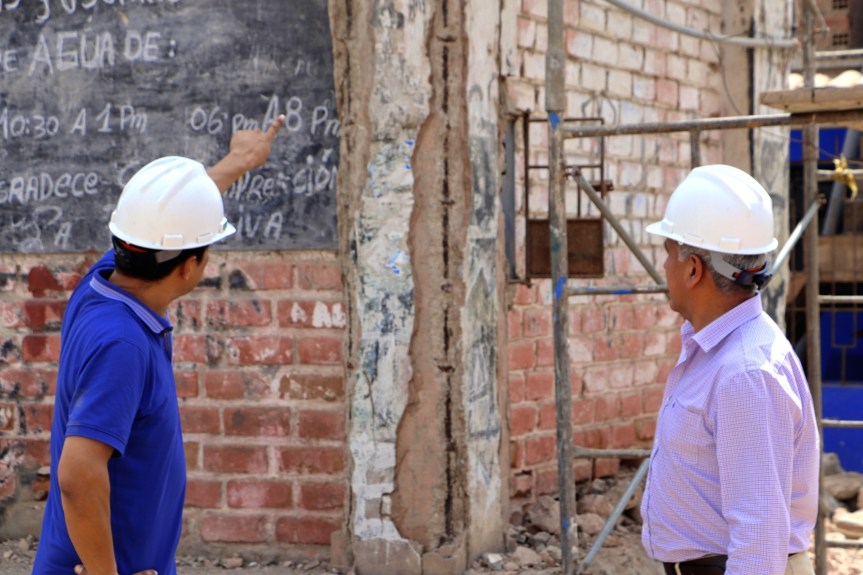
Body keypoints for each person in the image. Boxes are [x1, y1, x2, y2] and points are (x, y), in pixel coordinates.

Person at [31, 115, 285, 575]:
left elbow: (164, 223)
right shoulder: (123, 343)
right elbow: (76, 474)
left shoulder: (103, 281)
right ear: (190, 267)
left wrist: (237, 163)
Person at [640, 164, 820, 575]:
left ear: (693, 269)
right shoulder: (717, 350)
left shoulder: (744, 374)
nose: (665, 268)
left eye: (669, 253)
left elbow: (758, 541)